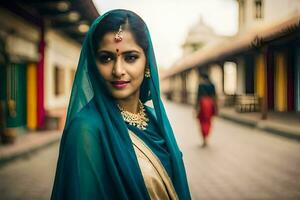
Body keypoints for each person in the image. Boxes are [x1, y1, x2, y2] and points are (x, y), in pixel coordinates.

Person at [51, 9, 191, 200]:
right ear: (94, 65)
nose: (118, 70)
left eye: (130, 57)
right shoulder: (86, 128)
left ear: (147, 63)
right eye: (106, 58)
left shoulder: (154, 118)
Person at [195, 72, 217, 147]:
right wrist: (216, 107)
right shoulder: (212, 85)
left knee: (202, 121)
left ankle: (204, 139)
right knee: (208, 121)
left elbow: (198, 97)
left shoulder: (200, 85)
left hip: (202, 104)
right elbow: (214, 96)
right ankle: (206, 137)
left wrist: (196, 107)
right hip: (210, 104)